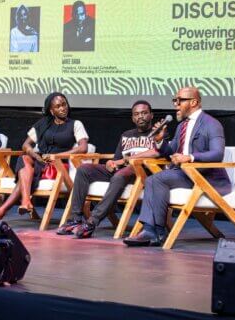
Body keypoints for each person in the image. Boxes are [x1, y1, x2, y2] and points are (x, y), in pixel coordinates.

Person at [124, 87, 231, 247]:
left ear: (193, 102)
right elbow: (170, 152)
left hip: (205, 177)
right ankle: (152, 231)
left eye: (180, 100)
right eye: (175, 100)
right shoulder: (182, 126)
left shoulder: (211, 124)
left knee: (157, 180)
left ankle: (155, 232)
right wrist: (160, 140)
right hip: (185, 174)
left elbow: (217, 154)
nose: (176, 104)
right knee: (153, 180)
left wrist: (190, 157)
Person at [57, 100, 162, 238]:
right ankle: (75, 219)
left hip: (140, 172)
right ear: (132, 118)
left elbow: (157, 152)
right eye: (136, 114)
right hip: (122, 170)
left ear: (151, 115)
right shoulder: (126, 135)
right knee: (83, 169)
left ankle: (92, 222)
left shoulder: (159, 134)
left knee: (119, 175)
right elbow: (116, 159)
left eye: (144, 113)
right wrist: (110, 164)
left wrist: (125, 160)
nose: (140, 117)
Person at [0, 92, 89, 221]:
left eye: (64, 104)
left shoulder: (75, 124)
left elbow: (83, 148)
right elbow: (26, 145)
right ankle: (24, 202)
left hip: (59, 164)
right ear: (51, 111)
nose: (63, 108)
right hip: (41, 161)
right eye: (58, 106)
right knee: (25, 157)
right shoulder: (43, 124)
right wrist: (35, 155)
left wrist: (56, 156)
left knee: (23, 178)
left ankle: (12, 207)